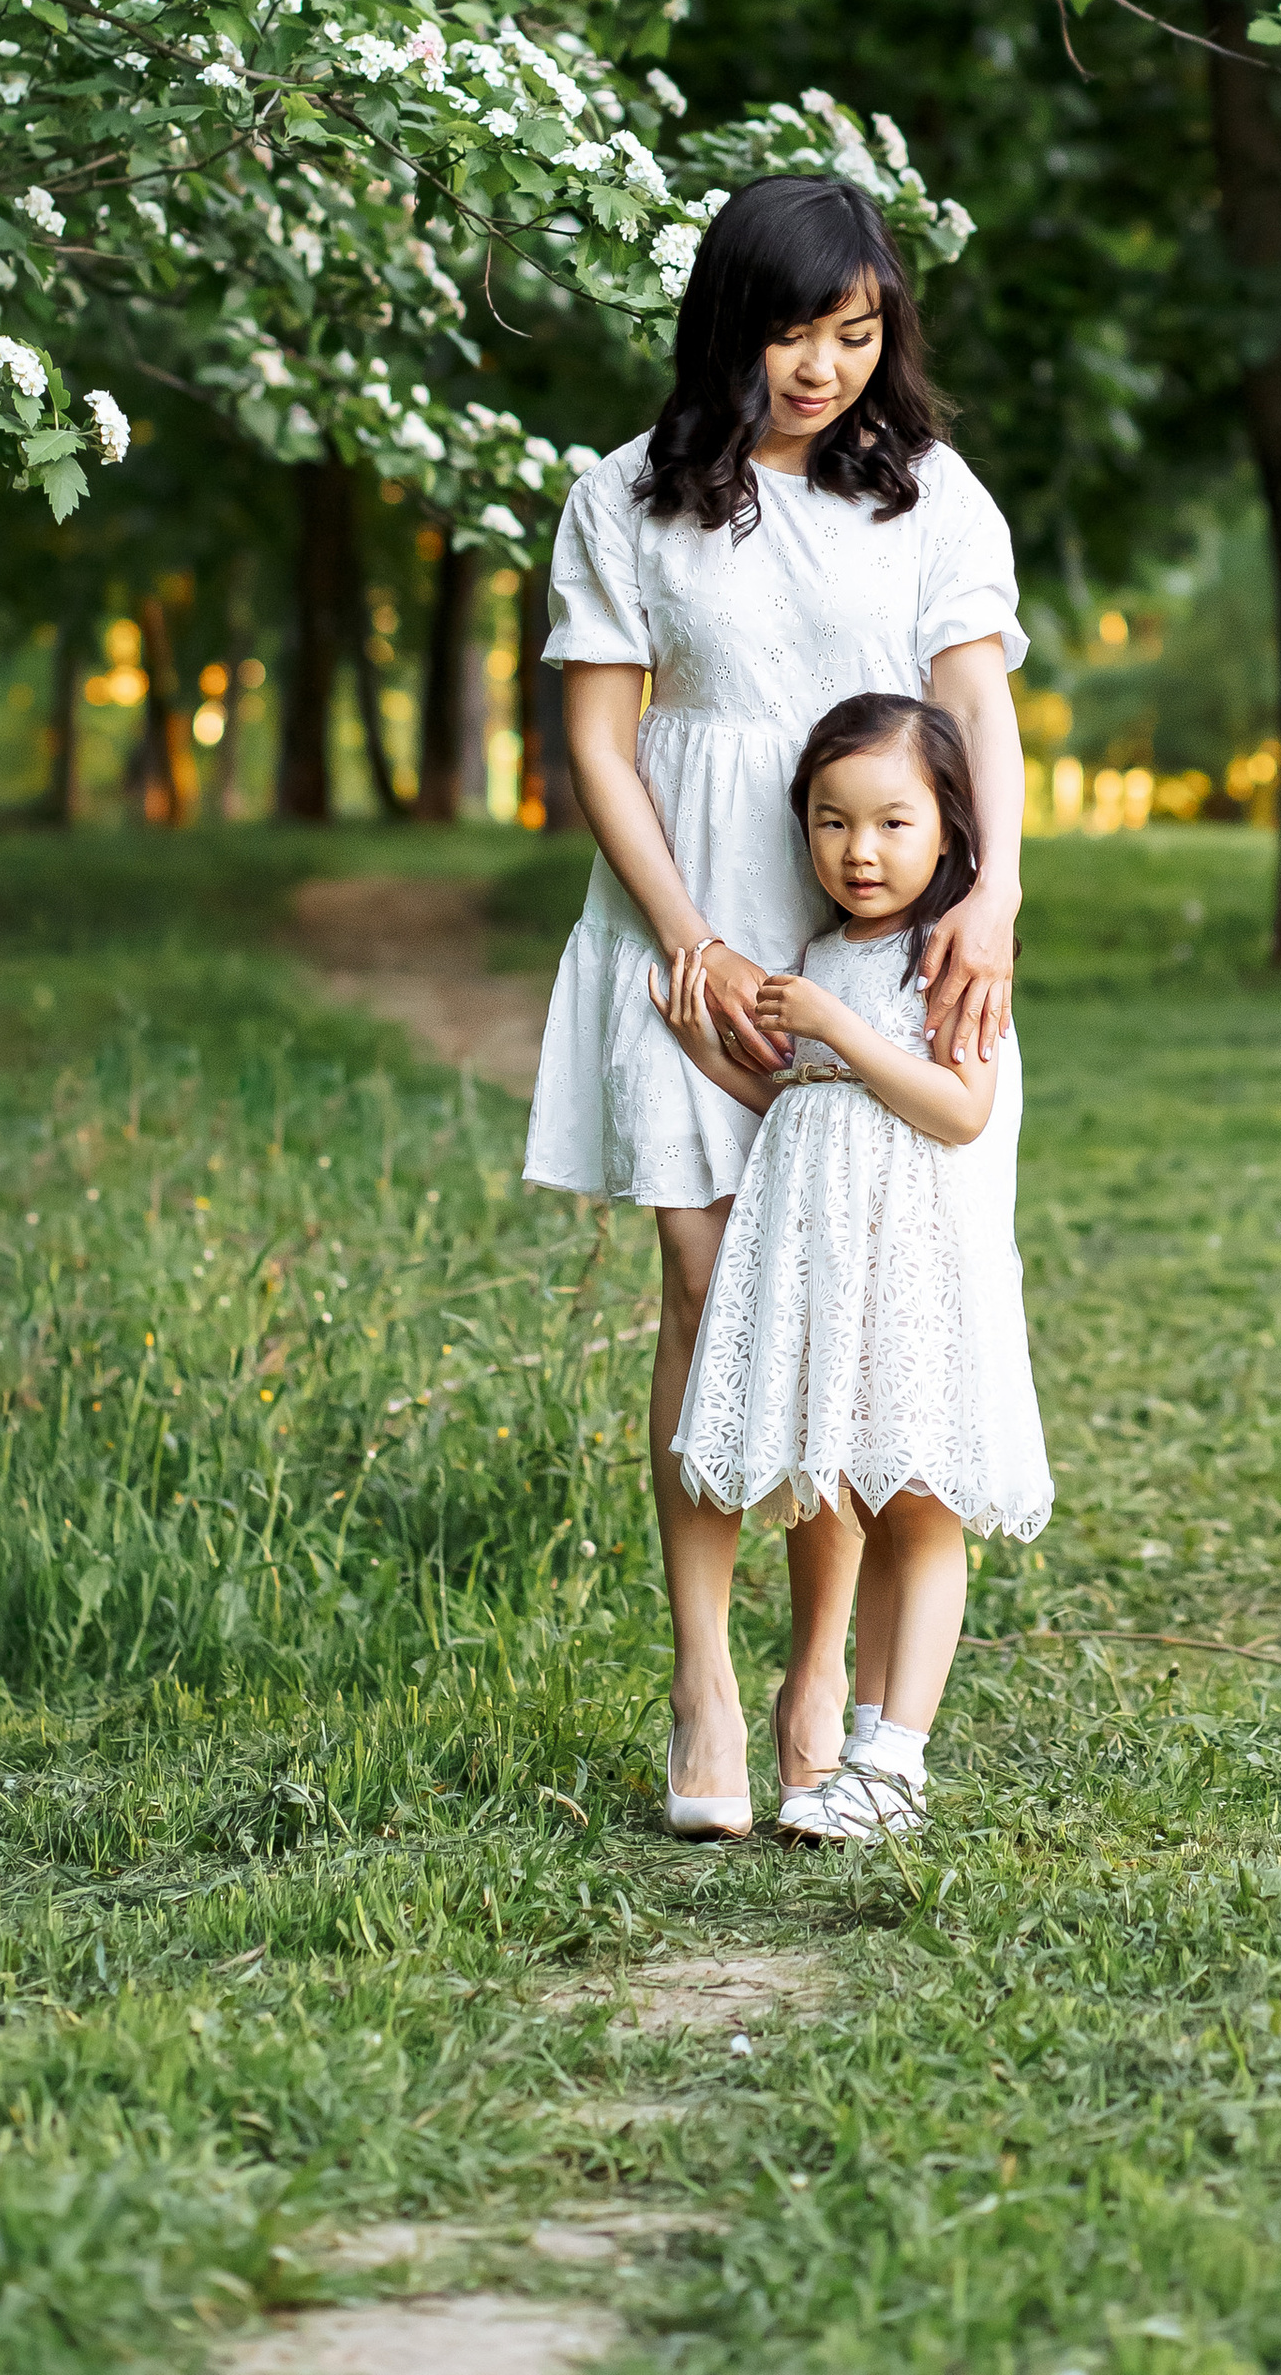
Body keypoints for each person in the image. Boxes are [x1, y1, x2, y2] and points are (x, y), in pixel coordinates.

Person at [522, 173, 1026, 1837]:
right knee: (704, 1284)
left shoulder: (929, 497)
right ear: (730, 322)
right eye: (797, 331)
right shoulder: (627, 497)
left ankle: (824, 1670)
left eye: (858, 333)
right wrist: (690, 938)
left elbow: (974, 707)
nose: (824, 368)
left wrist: (999, 891)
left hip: (872, 930)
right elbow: (600, 736)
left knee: (835, 1295)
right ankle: (705, 1687)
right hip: (687, 919)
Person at [649, 689, 1050, 1841]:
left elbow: (958, 1108)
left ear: (949, 829)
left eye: (890, 822)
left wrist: (839, 1023)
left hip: (919, 1274)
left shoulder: (951, 956)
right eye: (830, 822)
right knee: (869, 1494)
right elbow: (804, 1103)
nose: (859, 850)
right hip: (841, 1275)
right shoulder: (828, 951)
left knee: (921, 1505)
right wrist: (709, 1050)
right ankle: (862, 1753)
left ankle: (894, 1761)